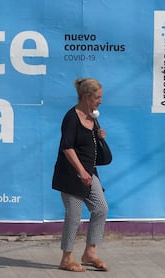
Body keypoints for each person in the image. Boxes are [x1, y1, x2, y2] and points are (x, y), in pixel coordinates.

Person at [52, 78, 109, 272]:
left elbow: (87, 146)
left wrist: (98, 136)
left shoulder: (92, 118)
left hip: (89, 173)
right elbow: (67, 148)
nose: (100, 101)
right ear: (86, 96)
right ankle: (66, 258)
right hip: (71, 174)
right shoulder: (71, 117)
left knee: (101, 208)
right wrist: (81, 171)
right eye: (97, 97)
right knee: (74, 216)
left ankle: (89, 253)